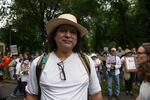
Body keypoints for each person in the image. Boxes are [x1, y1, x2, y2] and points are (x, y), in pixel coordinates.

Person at [26, 13, 103, 100]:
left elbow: (96, 94)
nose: (68, 35)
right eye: (63, 30)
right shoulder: (38, 63)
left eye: (73, 32)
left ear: (77, 38)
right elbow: (32, 95)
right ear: (54, 36)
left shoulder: (87, 61)